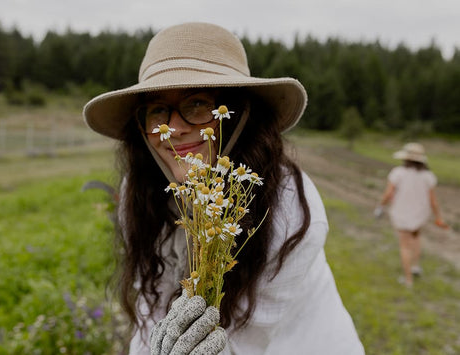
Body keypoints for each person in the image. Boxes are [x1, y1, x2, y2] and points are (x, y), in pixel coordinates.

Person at [83, 22, 364, 354]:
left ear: (240, 115)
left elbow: (244, 342)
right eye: (158, 109)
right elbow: (150, 310)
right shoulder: (139, 192)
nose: (172, 129)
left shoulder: (289, 210)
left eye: (198, 103)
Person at [376, 142, 448, 288]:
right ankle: (415, 266)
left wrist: (380, 206)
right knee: (416, 238)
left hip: (402, 213)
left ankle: (408, 280)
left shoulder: (398, 173)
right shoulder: (428, 176)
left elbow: (388, 194)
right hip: (420, 214)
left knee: (404, 245)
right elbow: (433, 201)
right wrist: (438, 217)